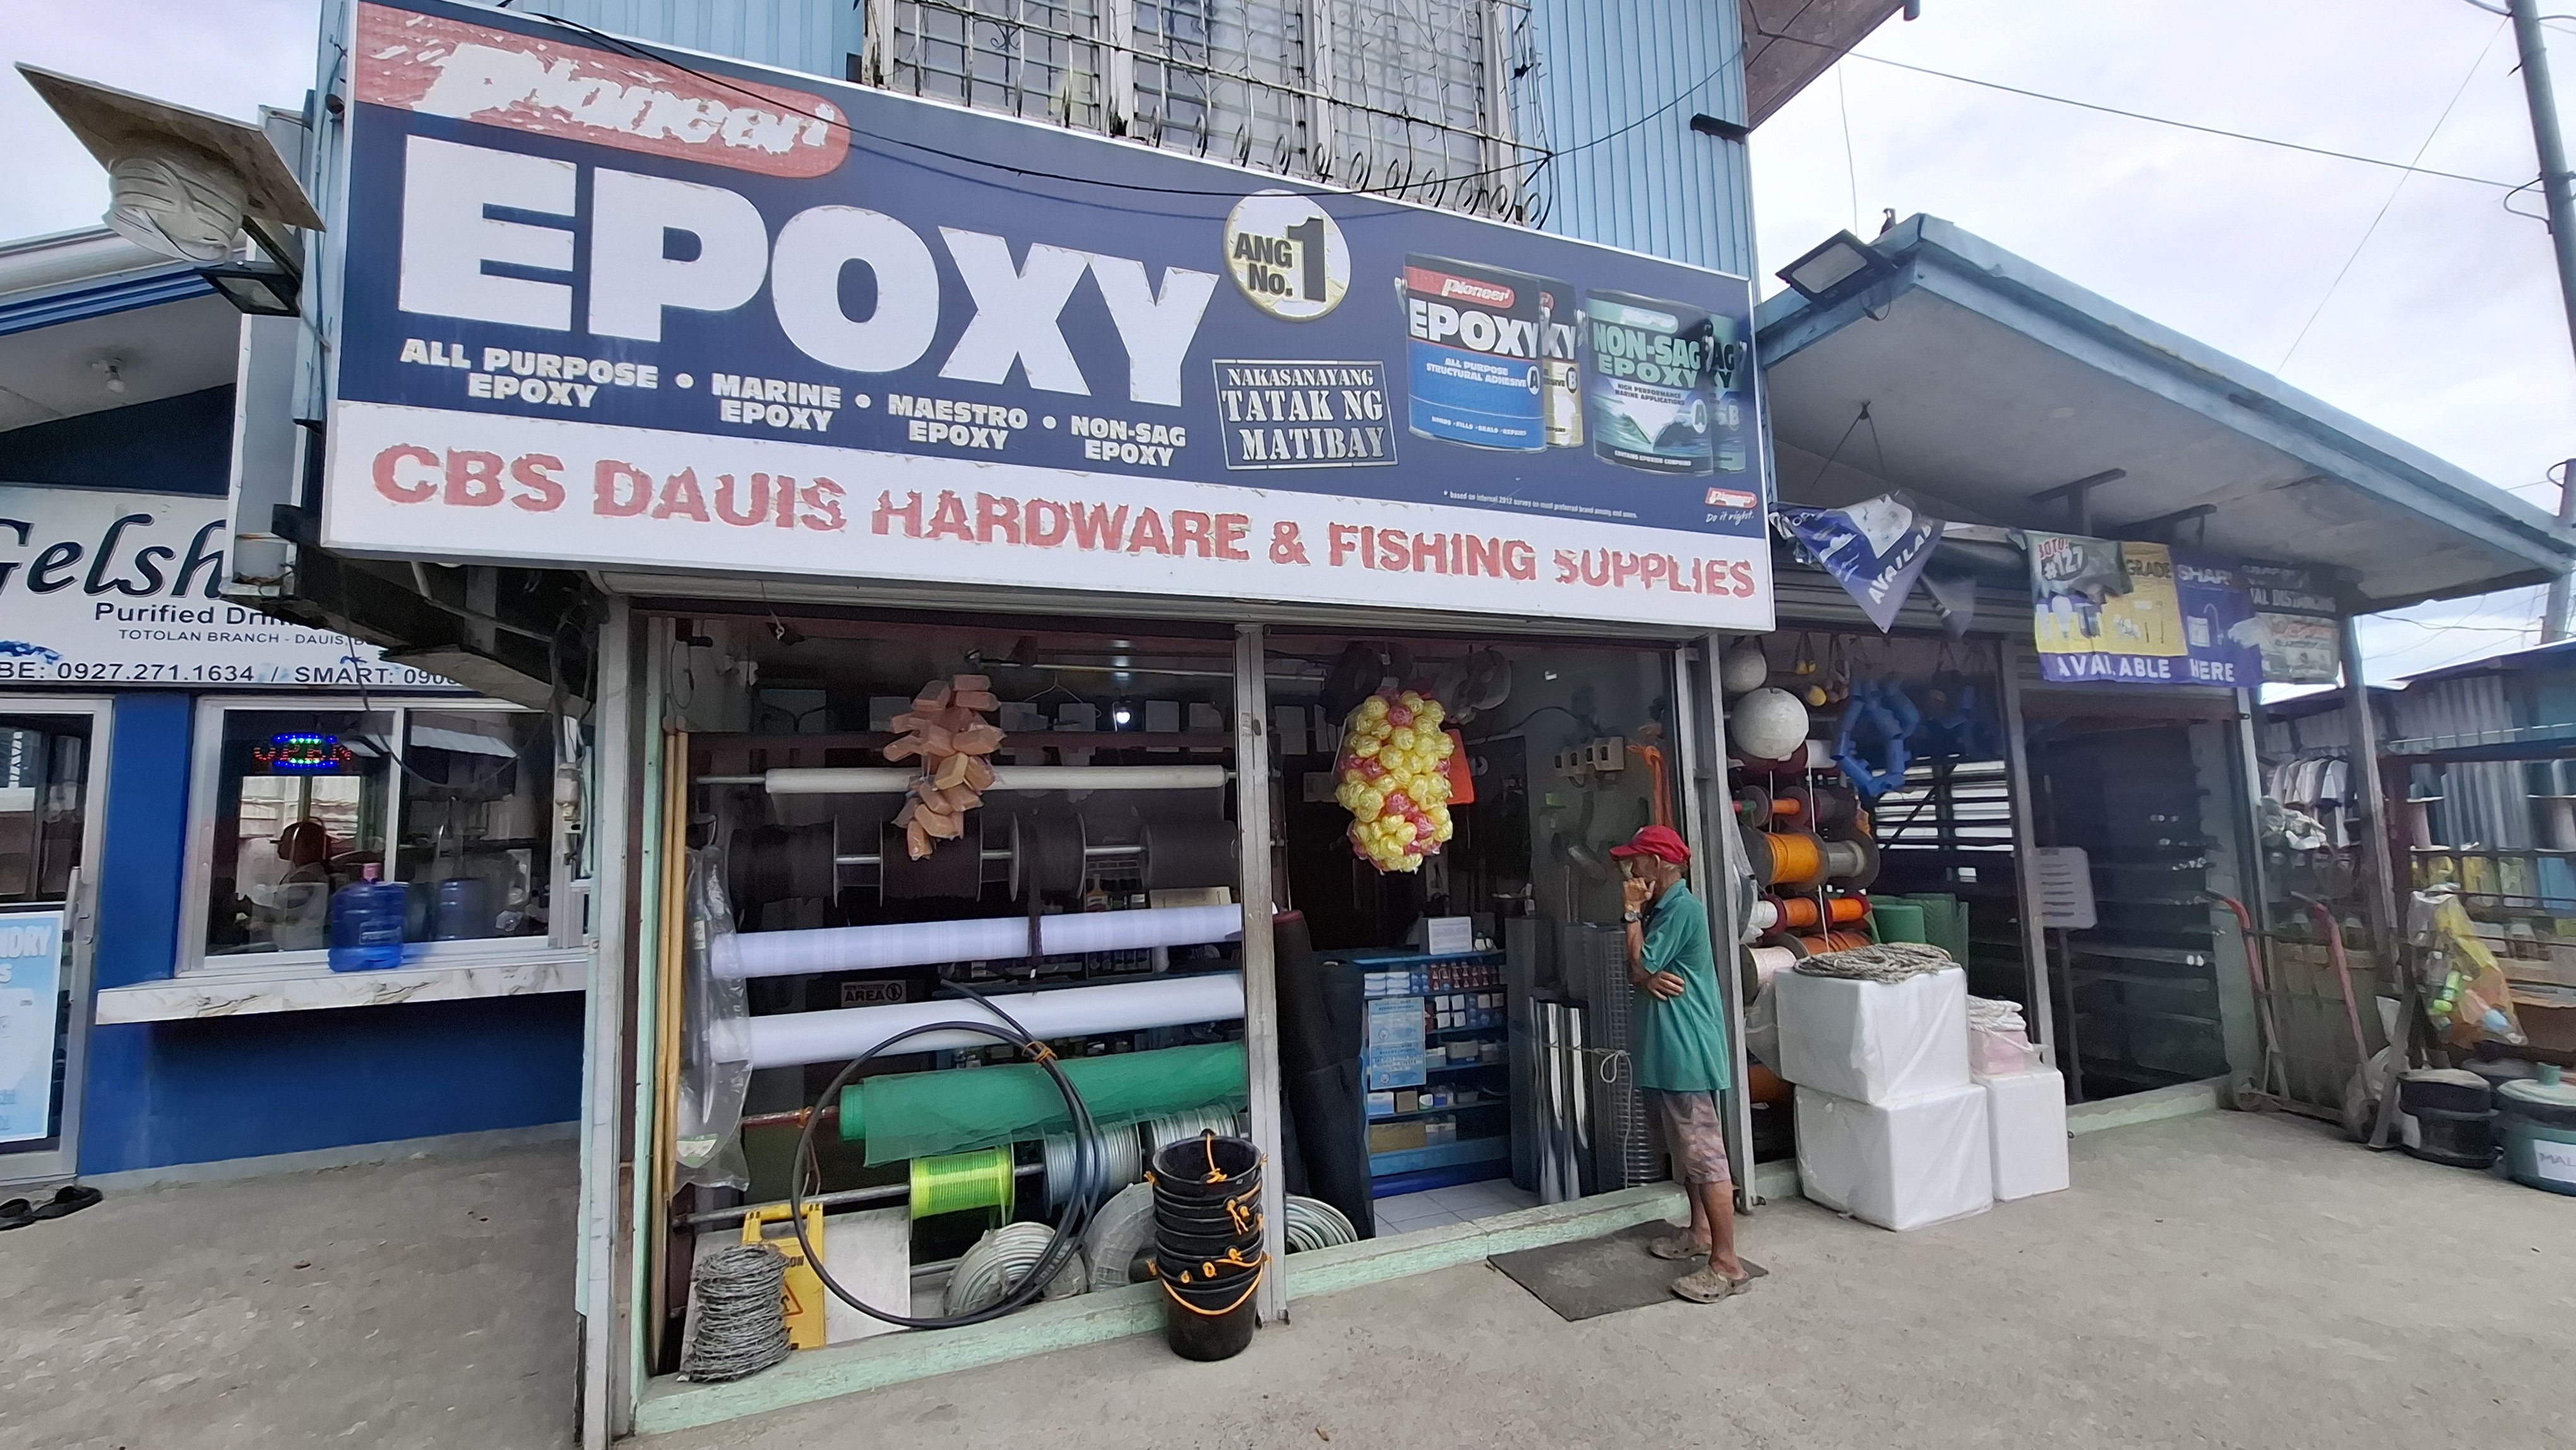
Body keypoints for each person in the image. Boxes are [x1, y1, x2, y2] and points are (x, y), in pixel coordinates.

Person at [1613, 824, 1752, 1302]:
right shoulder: (1665, 909)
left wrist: (1631, 916)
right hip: (1666, 1053)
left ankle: (1727, 1265)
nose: (1631, 869)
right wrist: (1644, 975)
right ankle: (1700, 1233)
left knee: (1705, 1156)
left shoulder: (1681, 910)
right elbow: (1637, 969)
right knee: (1685, 1152)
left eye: (1636, 859)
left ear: (1656, 863)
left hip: (1685, 1051)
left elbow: (1639, 964)